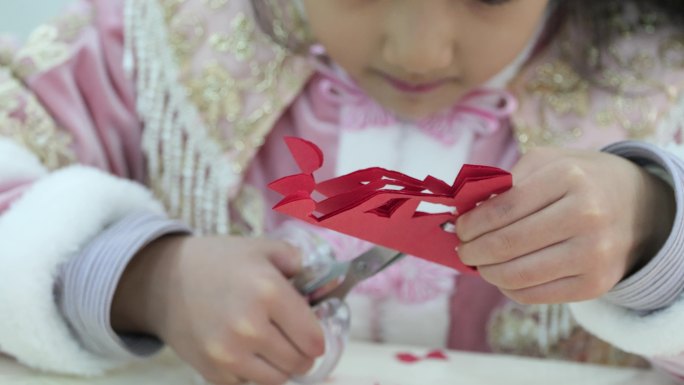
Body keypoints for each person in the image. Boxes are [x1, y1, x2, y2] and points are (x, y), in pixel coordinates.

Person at [1, 0, 684, 384]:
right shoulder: (156, 43)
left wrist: (656, 224)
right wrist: (146, 278)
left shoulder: (662, 84)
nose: (420, 52)